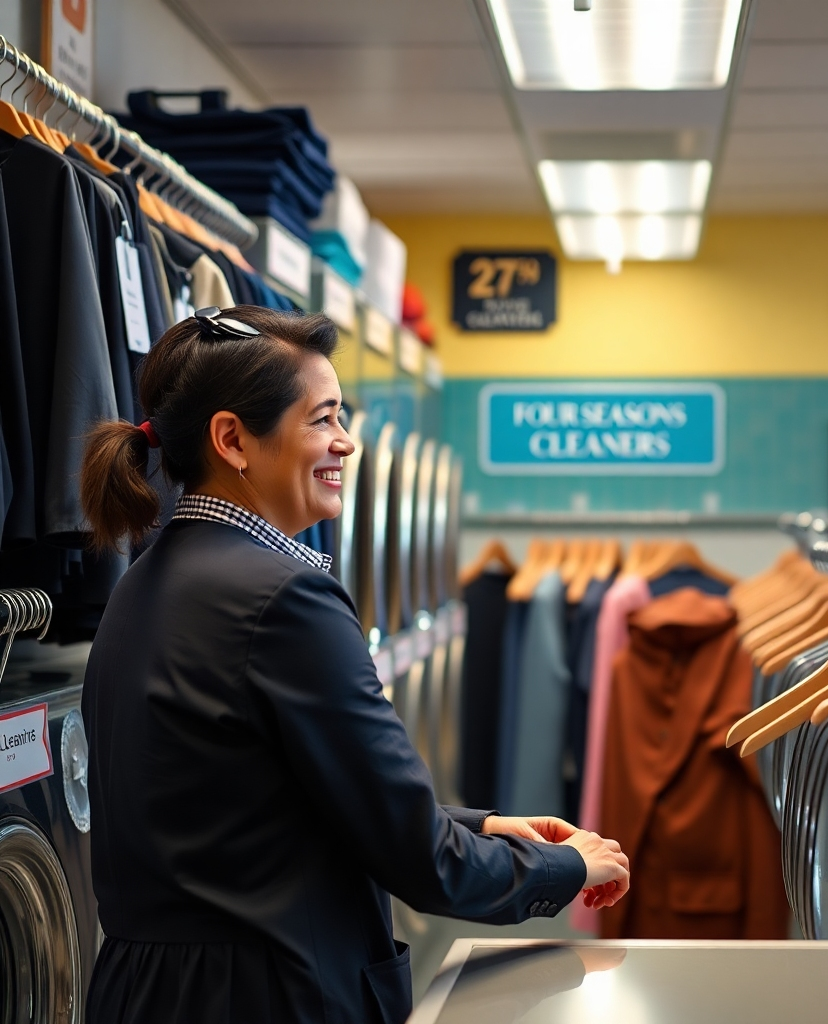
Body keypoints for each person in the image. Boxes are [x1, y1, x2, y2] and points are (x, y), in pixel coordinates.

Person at [79, 305, 629, 1024]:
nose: (346, 444)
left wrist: (487, 827)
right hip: (265, 998)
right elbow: (421, 862)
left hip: (143, 995)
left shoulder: (143, 584)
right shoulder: (283, 596)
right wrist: (570, 867)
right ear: (233, 440)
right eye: (323, 419)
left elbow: (271, 801)